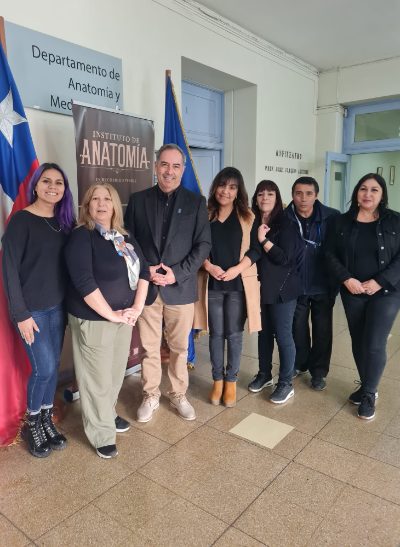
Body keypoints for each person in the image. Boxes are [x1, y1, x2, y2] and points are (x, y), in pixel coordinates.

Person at [124, 143, 211, 423]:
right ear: (155, 166)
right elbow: (128, 240)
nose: (169, 171)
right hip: (147, 288)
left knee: (179, 347)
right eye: (164, 164)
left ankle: (178, 393)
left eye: (175, 166)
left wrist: (178, 272)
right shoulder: (138, 200)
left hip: (180, 287)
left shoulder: (196, 202)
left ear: (183, 170)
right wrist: (145, 268)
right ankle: (151, 395)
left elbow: (203, 244)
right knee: (149, 347)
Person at [65, 183, 149, 458]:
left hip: (123, 318)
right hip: (95, 319)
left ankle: (106, 413)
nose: (101, 204)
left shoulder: (123, 237)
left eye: (107, 199)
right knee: (96, 380)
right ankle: (101, 433)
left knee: (114, 375)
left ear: (115, 205)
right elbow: (83, 281)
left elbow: (145, 272)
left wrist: (136, 308)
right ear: (87, 205)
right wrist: (112, 314)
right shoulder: (82, 236)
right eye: (95, 199)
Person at [2, 163, 76, 458]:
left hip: (58, 309)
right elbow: (9, 271)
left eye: (59, 183)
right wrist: (20, 314)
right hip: (32, 312)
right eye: (47, 181)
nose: (53, 187)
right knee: (43, 369)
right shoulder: (21, 220)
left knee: (52, 369)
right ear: (36, 186)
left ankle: (46, 419)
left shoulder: (64, 222)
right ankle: (32, 423)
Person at [326, 174, 400, 420]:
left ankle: (369, 394)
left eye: (374, 190)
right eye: (363, 189)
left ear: (382, 196)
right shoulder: (341, 222)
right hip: (353, 291)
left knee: (375, 342)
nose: (368, 194)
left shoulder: (395, 221)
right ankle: (367, 384)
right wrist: (347, 279)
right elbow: (330, 254)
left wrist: (379, 281)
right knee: (358, 340)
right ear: (356, 192)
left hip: (386, 292)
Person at [196, 167, 261, 407]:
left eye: (232, 187)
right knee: (215, 334)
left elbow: (255, 250)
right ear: (216, 187)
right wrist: (208, 266)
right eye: (223, 185)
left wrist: (236, 269)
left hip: (237, 286)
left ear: (238, 192)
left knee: (234, 335)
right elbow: (196, 247)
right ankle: (217, 380)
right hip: (211, 284)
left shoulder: (248, 216)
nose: (226, 191)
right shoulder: (205, 214)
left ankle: (231, 381)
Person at [247, 180, 302, 403]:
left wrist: (263, 240)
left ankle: (285, 383)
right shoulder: (250, 222)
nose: (265, 198)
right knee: (263, 335)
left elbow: (284, 258)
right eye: (261, 194)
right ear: (256, 199)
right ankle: (264, 374)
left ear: (277, 198)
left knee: (283, 336)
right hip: (259, 288)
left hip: (282, 290)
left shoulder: (287, 225)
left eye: (270, 194)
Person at [284, 177, 340, 390]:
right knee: (297, 327)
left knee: (322, 330)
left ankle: (319, 371)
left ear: (316, 195)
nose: (303, 198)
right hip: (295, 284)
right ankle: (300, 363)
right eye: (299, 193)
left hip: (323, 284)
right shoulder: (284, 217)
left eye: (308, 193)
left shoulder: (332, 217)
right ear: (292, 195)